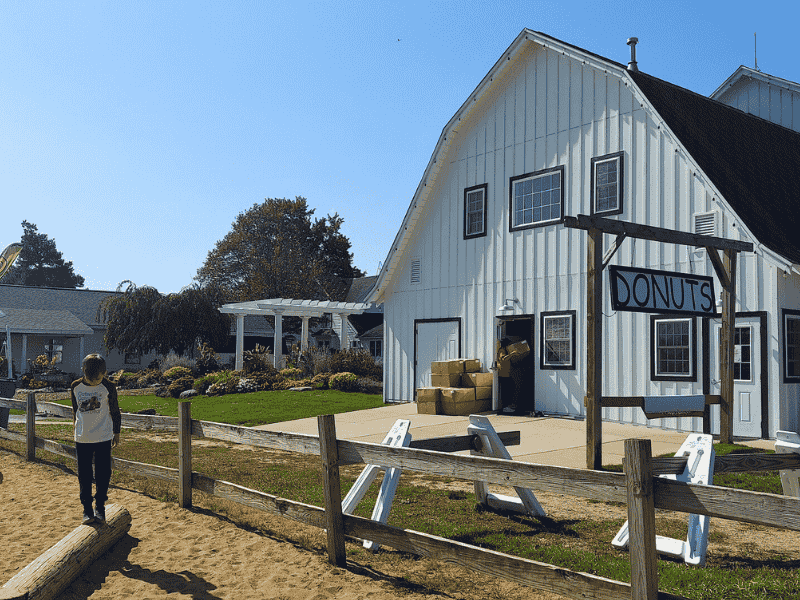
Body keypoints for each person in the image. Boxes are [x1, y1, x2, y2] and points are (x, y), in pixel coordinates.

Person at [71, 354, 121, 524]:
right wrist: (76, 428)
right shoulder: (75, 386)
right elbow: (75, 410)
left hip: (103, 436)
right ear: (83, 372)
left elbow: (115, 410)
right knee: (84, 475)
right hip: (82, 438)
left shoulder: (108, 387)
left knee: (103, 473)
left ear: (104, 373)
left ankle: (100, 507)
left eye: (97, 378)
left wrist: (117, 432)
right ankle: (86, 509)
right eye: (89, 378)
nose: (93, 382)